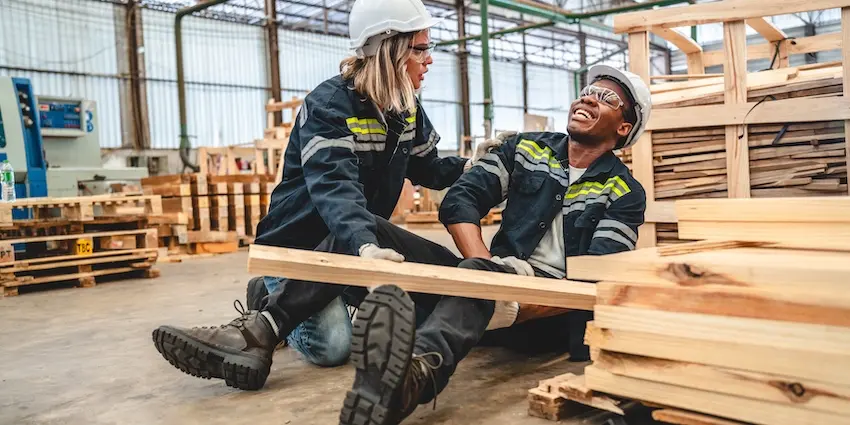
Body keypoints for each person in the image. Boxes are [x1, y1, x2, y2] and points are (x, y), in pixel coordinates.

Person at [151, 0, 500, 390]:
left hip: (357, 243)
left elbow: (427, 167)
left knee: (439, 301)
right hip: (297, 248)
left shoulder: (406, 108)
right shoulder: (330, 105)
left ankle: (279, 305)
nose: (429, 60)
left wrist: (471, 166)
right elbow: (335, 189)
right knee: (333, 346)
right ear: (389, 49)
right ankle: (262, 316)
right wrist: (364, 244)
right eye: (420, 49)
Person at [340, 64, 651, 424]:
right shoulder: (527, 149)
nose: (588, 98)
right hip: (490, 279)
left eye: (606, 98)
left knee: (472, 281)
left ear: (623, 127)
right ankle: (270, 323)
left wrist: (507, 289)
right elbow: (461, 199)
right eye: (588, 90)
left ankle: (412, 379)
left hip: (545, 314)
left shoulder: (625, 192)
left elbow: (595, 278)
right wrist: (490, 275)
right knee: (369, 229)